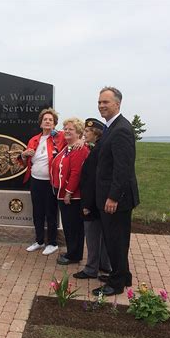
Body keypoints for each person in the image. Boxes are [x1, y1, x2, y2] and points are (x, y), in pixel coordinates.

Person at [92, 87, 140, 296]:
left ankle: (116, 283)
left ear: (117, 104)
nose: (102, 105)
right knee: (116, 239)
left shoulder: (121, 129)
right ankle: (123, 274)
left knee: (116, 241)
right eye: (100, 102)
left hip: (116, 199)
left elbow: (123, 168)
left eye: (106, 102)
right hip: (110, 196)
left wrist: (113, 197)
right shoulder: (111, 127)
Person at [21, 108, 83, 256]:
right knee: (37, 212)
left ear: (54, 123)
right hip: (36, 180)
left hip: (51, 182)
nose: (47, 121)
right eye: (45, 119)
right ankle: (39, 240)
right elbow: (25, 163)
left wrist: (81, 140)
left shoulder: (60, 136)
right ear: (41, 123)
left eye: (50, 120)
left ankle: (53, 243)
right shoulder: (34, 139)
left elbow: (74, 136)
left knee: (51, 212)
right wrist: (23, 155)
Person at [73, 118, 111, 279]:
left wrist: (87, 204)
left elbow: (92, 181)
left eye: (87, 131)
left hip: (92, 202)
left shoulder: (98, 150)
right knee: (101, 235)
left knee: (93, 236)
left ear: (95, 132)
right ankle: (103, 264)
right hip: (97, 201)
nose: (84, 133)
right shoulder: (98, 147)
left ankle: (91, 268)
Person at [50, 118, 89, 265]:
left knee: (73, 227)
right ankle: (73, 251)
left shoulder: (79, 149)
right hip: (63, 193)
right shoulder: (68, 147)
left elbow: (76, 173)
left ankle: (74, 255)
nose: (66, 131)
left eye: (70, 129)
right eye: (65, 128)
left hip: (73, 196)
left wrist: (68, 192)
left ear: (78, 133)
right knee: (69, 225)